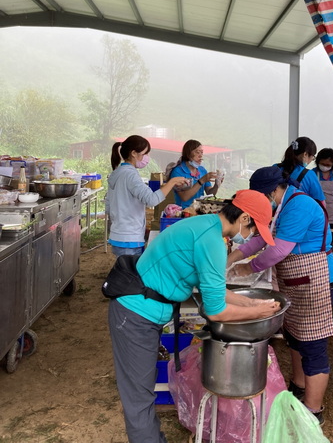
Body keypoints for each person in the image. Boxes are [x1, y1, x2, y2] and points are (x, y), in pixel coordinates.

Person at [108, 189, 281, 443]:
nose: (251, 236)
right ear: (244, 218)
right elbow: (216, 311)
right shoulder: (211, 241)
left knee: (143, 387)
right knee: (139, 396)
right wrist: (258, 312)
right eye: (254, 230)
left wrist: (250, 302)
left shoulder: (207, 226)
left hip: (146, 309)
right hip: (135, 313)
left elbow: (214, 289)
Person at [227, 166, 333, 426]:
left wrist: (248, 267)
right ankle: (298, 387)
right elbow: (262, 238)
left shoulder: (299, 205)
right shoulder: (281, 206)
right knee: (295, 336)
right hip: (297, 280)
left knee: (313, 344)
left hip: (318, 280)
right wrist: (234, 256)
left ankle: (313, 411)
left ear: (270, 192)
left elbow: (278, 251)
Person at [105, 135, 189, 256]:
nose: (147, 157)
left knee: (124, 267)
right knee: (130, 268)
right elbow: (151, 200)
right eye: (145, 153)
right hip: (129, 238)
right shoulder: (130, 175)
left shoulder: (117, 173)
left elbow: (108, 206)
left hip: (119, 234)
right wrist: (172, 182)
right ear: (134, 153)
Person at [169, 139, 223, 209]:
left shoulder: (202, 170)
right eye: (197, 152)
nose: (200, 156)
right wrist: (201, 181)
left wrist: (216, 184)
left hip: (199, 209)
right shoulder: (178, 171)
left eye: (201, 152)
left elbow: (210, 194)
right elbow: (184, 197)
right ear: (188, 154)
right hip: (184, 210)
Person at [276, 136, 325, 203]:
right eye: (312, 157)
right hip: (299, 209)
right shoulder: (309, 175)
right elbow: (320, 203)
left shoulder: (275, 168)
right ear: (305, 154)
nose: (311, 160)